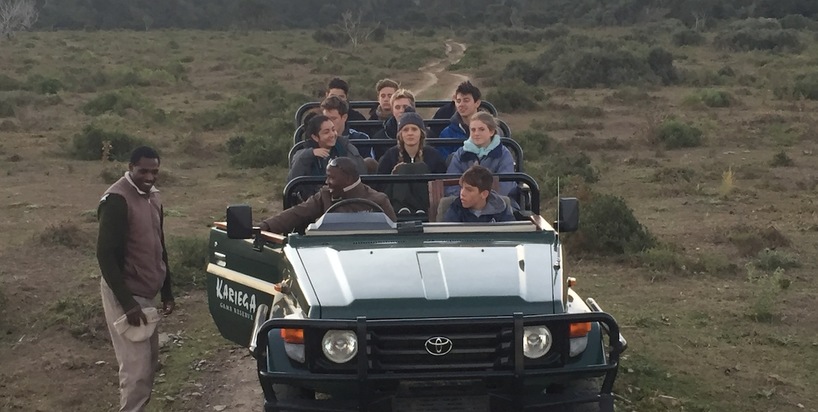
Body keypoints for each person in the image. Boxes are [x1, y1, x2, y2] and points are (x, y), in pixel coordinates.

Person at [97, 146, 175, 412]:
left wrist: (167, 289)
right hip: (125, 291)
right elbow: (105, 255)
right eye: (143, 171)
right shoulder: (117, 199)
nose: (150, 177)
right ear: (130, 167)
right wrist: (128, 303)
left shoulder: (153, 196)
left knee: (150, 362)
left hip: (146, 290)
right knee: (136, 369)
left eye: (155, 171)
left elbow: (159, 242)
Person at [261, 157, 397, 233]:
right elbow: (297, 213)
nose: (327, 182)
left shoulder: (379, 201)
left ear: (348, 178)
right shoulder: (325, 196)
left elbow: (393, 235)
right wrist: (266, 226)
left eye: (331, 178)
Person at [376, 107, 446, 215]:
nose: (410, 133)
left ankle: (420, 209)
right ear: (400, 134)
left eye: (414, 129)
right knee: (402, 168)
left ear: (421, 133)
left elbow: (441, 181)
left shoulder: (433, 155)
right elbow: (380, 185)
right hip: (396, 208)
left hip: (425, 207)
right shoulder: (391, 155)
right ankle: (402, 208)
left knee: (420, 167)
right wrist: (394, 173)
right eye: (405, 129)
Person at [288, 114, 366, 202]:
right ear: (315, 137)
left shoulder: (345, 147)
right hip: (315, 201)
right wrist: (309, 154)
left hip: (347, 199)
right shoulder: (303, 154)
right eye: (326, 132)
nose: (332, 134)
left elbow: (360, 172)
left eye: (333, 130)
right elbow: (292, 181)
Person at [445, 112, 515, 198]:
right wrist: (468, 199)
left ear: (491, 132)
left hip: (497, 203)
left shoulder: (504, 154)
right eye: (473, 130)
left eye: (481, 129)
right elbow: (451, 186)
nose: (476, 133)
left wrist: (481, 200)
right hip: (464, 203)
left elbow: (505, 187)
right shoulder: (460, 154)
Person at [443, 165, 515, 223]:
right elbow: (448, 237)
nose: (462, 193)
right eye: (462, 188)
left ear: (484, 194)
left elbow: (511, 237)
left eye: (469, 190)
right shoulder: (455, 208)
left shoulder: (502, 209)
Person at [437, 81, 483, 158]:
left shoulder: (492, 130)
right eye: (458, 101)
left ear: (477, 103)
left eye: (466, 100)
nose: (461, 104)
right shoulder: (447, 134)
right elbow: (444, 165)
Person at [372, 88, 416, 159]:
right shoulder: (380, 137)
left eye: (405, 107)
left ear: (413, 108)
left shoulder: (427, 135)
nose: (401, 110)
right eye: (397, 107)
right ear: (392, 110)